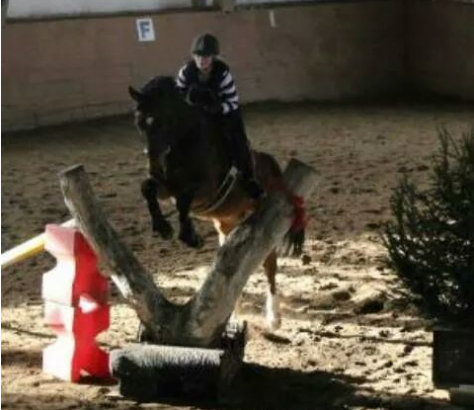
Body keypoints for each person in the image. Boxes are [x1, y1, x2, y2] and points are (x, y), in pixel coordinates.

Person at [175, 33, 265, 200]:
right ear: (193, 56)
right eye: (199, 56)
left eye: (207, 56)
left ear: (213, 57)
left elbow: (233, 101)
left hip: (224, 113)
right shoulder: (185, 73)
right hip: (195, 113)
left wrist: (217, 109)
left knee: (238, 140)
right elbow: (177, 99)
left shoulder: (223, 74)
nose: (202, 60)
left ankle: (248, 179)